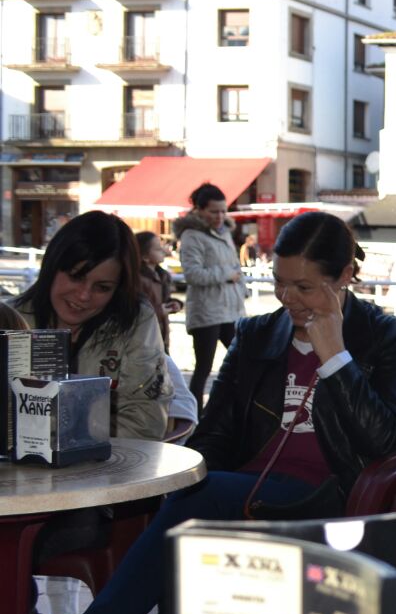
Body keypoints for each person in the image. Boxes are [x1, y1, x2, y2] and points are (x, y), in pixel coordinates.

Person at [25, 211, 396, 614]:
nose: (289, 298)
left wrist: (335, 356)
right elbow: (212, 439)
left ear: (344, 278)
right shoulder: (257, 335)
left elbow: (384, 442)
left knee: (195, 507)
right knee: (183, 564)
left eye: (306, 287)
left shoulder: (385, 335)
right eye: (280, 283)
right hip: (240, 497)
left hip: (327, 500)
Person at [11, 211, 170, 440]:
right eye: (76, 276)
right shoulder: (10, 321)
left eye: (102, 287)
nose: (84, 295)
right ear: (52, 266)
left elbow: (146, 423)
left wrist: (66, 443)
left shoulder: (135, 320)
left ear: (118, 290)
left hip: (110, 462)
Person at [175, 181, 246, 407]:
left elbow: (235, 266)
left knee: (243, 362)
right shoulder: (191, 235)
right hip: (206, 312)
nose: (220, 216)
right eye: (214, 211)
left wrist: (241, 289)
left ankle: (232, 410)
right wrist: (227, 274)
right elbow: (193, 274)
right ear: (199, 209)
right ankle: (195, 415)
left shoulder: (225, 231)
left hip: (231, 309)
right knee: (203, 369)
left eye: (224, 211)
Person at [135, 230, 181, 351]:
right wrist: (159, 310)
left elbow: (163, 300)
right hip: (144, 339)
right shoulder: (138, 280)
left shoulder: (162, 275)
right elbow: (135, 310)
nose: (163, 251)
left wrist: (174, 304)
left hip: (161, 335)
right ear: (145, 257)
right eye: (157, 249)